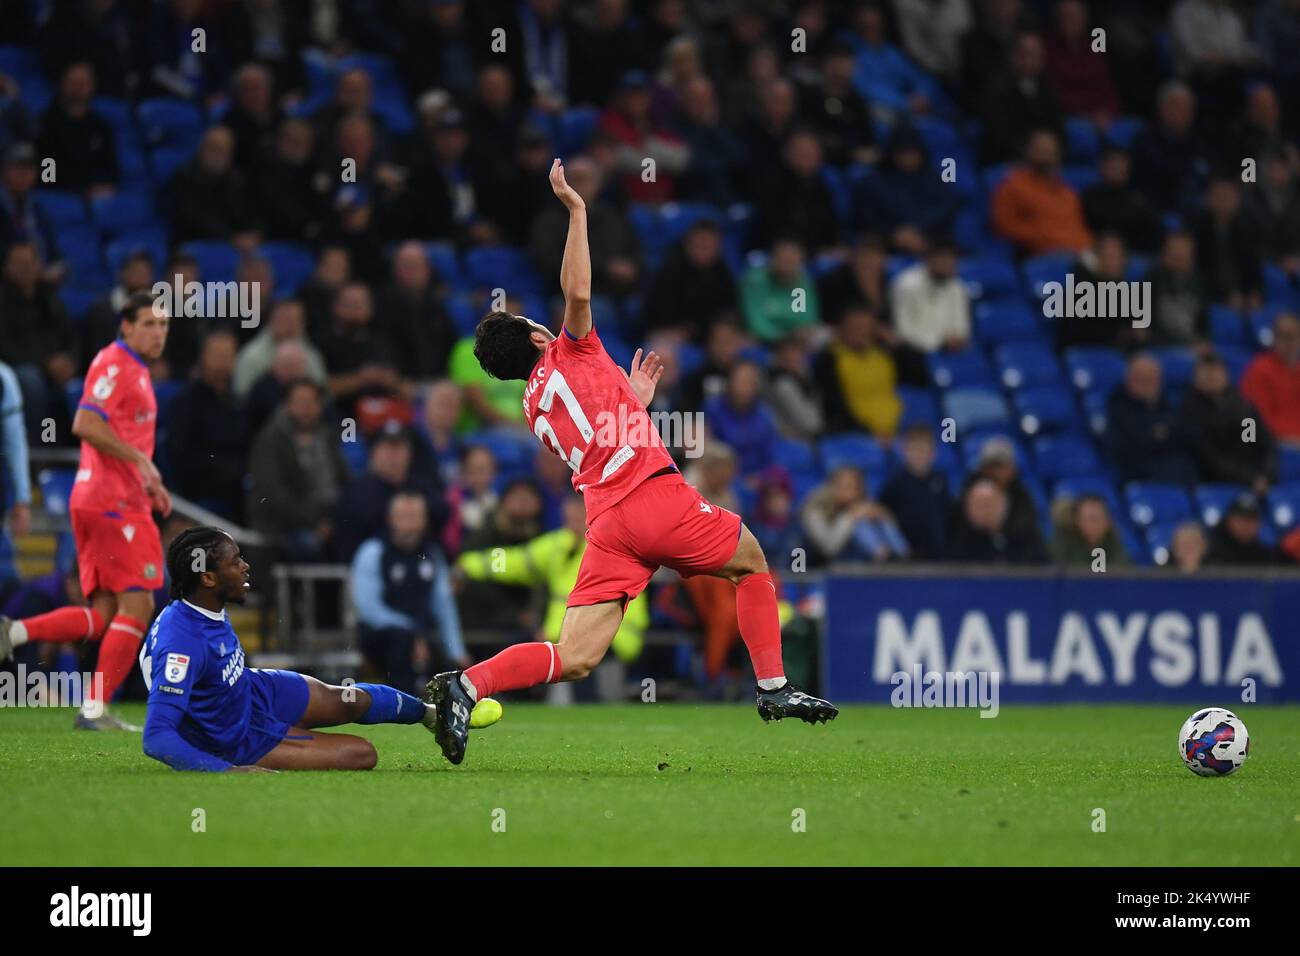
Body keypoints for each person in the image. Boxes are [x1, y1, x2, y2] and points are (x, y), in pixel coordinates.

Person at [427, 159, 837, 765]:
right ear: (540, 338)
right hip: (653, 496)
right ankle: (773, 687)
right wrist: (577, 211)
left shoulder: (534, 405)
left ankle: (466, 685)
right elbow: (580, 293)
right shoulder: (571, 349)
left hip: (609, 526)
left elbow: (598, 428)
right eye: (543, 326)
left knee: (575, 656)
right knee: (751, 566)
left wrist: (634, 403)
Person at [140, 526, 495, 772]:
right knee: (362, 754)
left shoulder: (201, 606)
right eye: (235, 561)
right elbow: (157, 737)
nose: (245, 565)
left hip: (251, 691)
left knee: (347, 699)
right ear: (208, 578)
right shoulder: (181, 643)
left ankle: (435, 715)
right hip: (233, 736)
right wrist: (224, 770)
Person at [0, 293, 172, 730]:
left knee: (105, 616)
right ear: (126, 325)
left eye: (163, 325)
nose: (158, 333)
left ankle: (14, 633)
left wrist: (149, 481)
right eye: (148, 323)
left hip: (108, 499)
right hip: (113, 504)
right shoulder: (115, 364)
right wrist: (140, 462)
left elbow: (119, 436)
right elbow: (84, 423)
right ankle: (94, 710)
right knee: (138, 606)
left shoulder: (135, 370)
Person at [350, 491, 467, 695]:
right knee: (401, 641)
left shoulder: (432, 555)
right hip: (379, 636)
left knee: (444, 657)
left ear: (424, 520)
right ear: (390, 519)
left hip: (422, 635)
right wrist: (411, 633)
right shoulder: (373, 552)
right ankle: (401, 699)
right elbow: (369, 609)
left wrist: (457, 651)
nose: (410, 523)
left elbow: (444, 605)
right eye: (404, 516)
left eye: (415, 516)